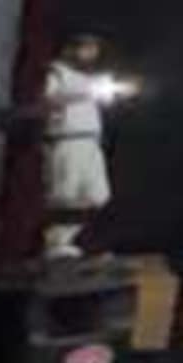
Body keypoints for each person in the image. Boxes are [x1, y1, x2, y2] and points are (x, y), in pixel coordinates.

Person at [40, 32, 132, 258]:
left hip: (90, 142)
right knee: (65, 194)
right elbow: (47, 99)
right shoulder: (55, 72)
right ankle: (55, 244)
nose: (92, 53)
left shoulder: (87, 78)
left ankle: (73, 239)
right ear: (70, 49)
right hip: (66, 140)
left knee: (97, 195)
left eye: (93, 49)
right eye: (86, 48)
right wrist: (84, 93)